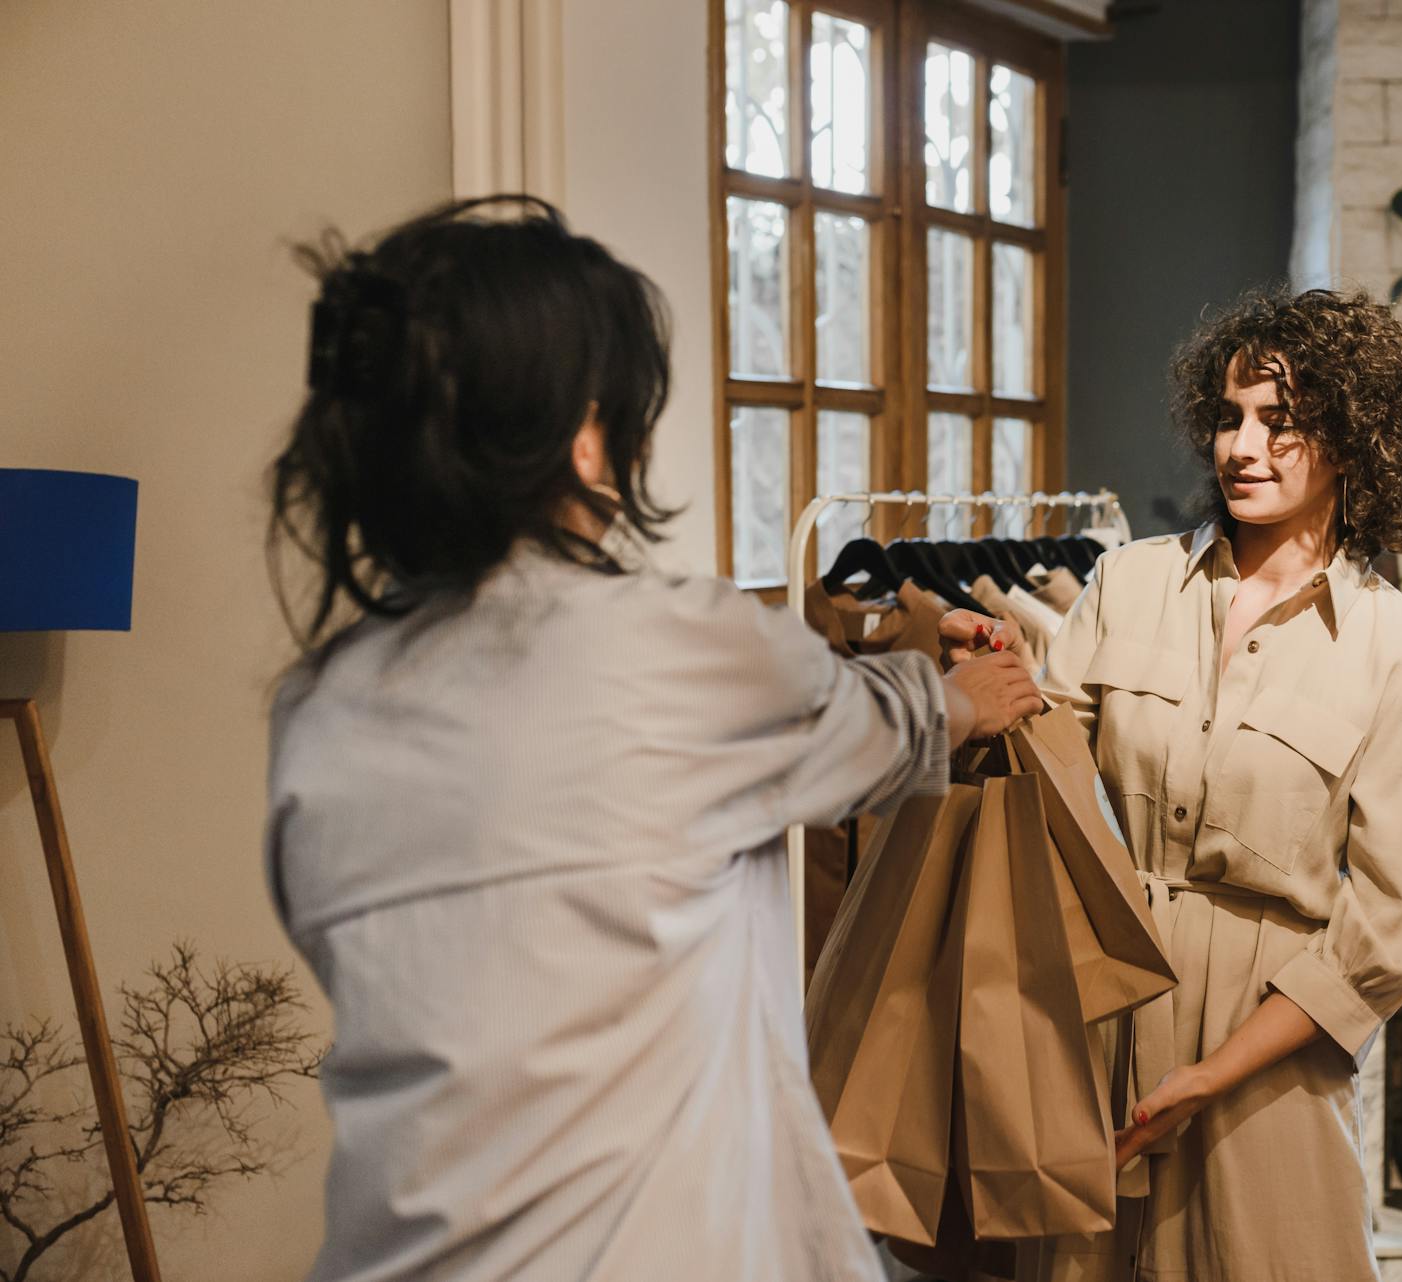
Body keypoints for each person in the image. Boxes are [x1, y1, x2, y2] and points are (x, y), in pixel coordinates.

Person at [262, 196, 1041, 1282]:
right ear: (586, 435)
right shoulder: (676, 646)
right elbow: (870, 729)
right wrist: (962, 697)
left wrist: (864, 636)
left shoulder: (318, 711)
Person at [945, 285, 1402, 1281]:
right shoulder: (1124, 583)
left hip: (1268, 1056)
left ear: (1353, 441)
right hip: (1096, 1019)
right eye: (1229, 417)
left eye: (1283, 422)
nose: (1243, 446)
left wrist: (1211, 1074)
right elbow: (1041, 793)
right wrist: (982, 683)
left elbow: (1398, 928)